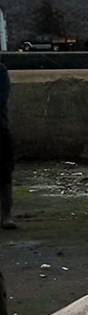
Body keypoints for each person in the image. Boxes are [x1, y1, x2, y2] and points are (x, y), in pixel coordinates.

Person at [1, 61, 14, 229]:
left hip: (0, 130)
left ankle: (6, 214)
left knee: (4, 175)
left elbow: (2, 98)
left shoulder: (1, 71)